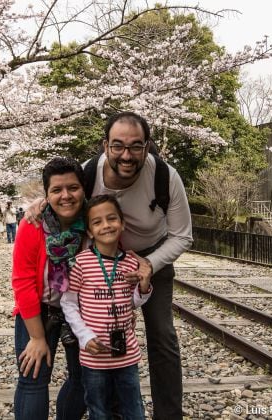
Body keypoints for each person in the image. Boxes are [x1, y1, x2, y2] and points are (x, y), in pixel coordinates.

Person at [27, 111, 193, 419]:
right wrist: (39, 205)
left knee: (162, 335)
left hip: (151, 257)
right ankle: (114, 411)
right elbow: (66, 196)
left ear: (147, 146)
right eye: (118, 146)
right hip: (101, 261)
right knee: (103, 331)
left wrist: (149, 265)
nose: (126, 155)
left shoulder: (165, 177)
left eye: (135, 146)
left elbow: (183, 236)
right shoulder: (90, 173)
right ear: (106, 146)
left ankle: (169, 414)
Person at [61, 195, 152, 420]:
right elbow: (69, 303)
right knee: (98, 410)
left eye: (112, 219)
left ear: (122, 223)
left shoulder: (131, 263)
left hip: (127, 354)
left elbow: (133, 302)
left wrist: (144, 285)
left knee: (134, 409)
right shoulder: (81, 263)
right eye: (97, 222)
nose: (106, 225)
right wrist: (84, 336)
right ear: (90, 231)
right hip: (94, 355)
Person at [12, 157, 87, 420]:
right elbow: (22, 281)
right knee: (33, 376)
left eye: (73, 188)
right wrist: (36, 338)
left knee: (83, 380)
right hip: (38, 309)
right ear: (46, 195)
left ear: (84, 189)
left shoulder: (96, 222)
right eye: (56, 190)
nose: (65, 196)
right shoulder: (33, 224)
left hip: (82, 311)